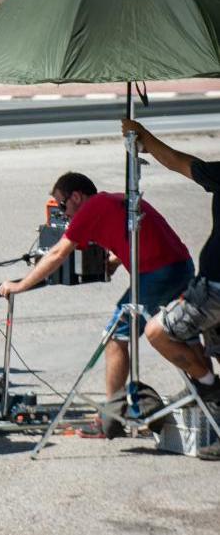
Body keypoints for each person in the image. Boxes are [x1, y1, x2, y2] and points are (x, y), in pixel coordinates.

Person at [0, 171, 196, 437]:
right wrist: (115, 260)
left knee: (116, 337)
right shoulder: (113, 200)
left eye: (62, 204)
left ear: (77, 196)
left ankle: (110, 420)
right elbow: (136, 233)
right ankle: (204, 392)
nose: (62, 212)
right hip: (181, 265)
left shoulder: (90, 210)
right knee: (183, 332)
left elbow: (57, 253)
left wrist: (20, 285)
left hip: (157, 272)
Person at [120, 119, 220, 410]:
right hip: (209, 287)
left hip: (212, 289)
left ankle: (209, 388)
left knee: (157, 332)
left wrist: (146, 140)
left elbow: (179, 162)